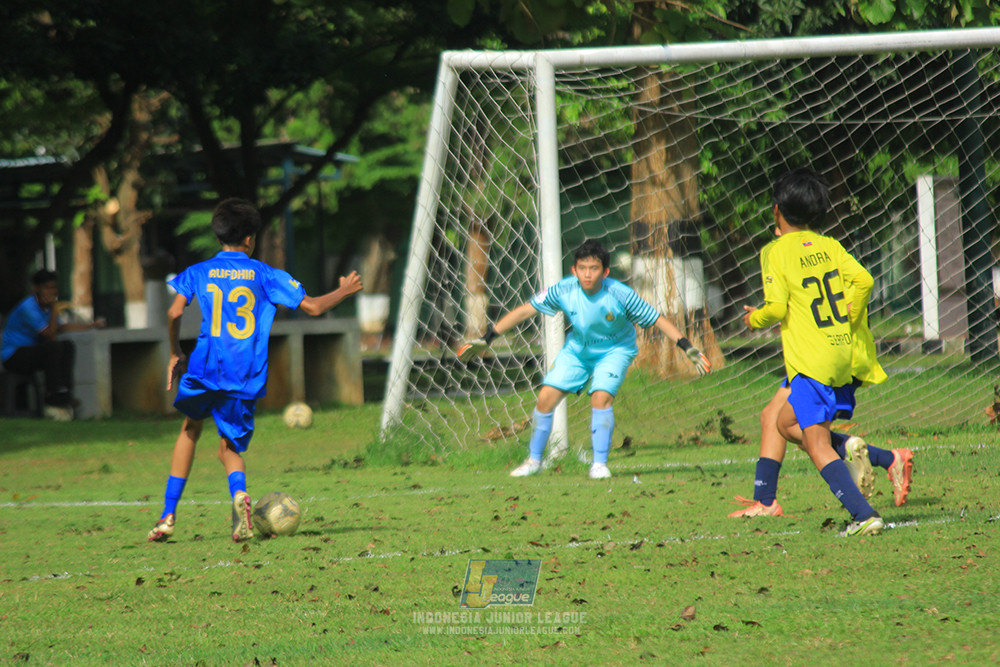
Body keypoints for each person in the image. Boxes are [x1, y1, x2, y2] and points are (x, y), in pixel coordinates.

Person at [147, 198, 363, 543]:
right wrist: (345, 289)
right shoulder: (265, 274)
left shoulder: (199, 272)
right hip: (244, 373)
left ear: (219, 237)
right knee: (229, 448)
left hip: (205, 366)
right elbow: (313, 307)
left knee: (190, 429)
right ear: (250, 238)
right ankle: (240, 500)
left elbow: (174, 314)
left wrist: (175, 352)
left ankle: (168, 515)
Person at [457, 239, 711, 480]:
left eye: (594, 268)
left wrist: (686, 346)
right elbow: (526, 309)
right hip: (578, 350)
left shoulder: (621, 294)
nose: (587, 274)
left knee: (600, 396)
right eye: (582, 268)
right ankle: (533, 462)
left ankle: (599, 464)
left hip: (615, 351)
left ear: (605, 271)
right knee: (545, 397)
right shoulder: (564, 289)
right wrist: (487, 338)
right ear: (574, 270)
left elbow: (657, 319)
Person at [741, 168, 886, 537]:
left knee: (816, 443)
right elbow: (864, 280)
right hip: (840, 353)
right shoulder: (829, 245)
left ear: (776, 211)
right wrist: (848, 315)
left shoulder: (775, 252)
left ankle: (863, 513)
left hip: (810, 360)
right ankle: (858, 452)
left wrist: (752, 319)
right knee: (785, 422)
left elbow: (774, 308)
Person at [729, 241, 914, 518]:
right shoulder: (812, 253)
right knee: (774, 418)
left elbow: (861, 283)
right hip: (818, 354)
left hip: (829, 357)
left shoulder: (818, 252)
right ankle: (886, 459)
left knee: (804, 433)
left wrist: (759, 318)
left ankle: (864, 505)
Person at [1, 269, 102, 420]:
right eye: (47, 287)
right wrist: (55, 308)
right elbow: (50, 334)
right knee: (52, 347)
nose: (52, 291)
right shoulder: (28, 307)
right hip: (13, 356)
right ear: (36, 288)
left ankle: (63, 393)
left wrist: (90, 326)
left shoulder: (46, 308)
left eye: (54, 287)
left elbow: (60, 328)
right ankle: (54, 397)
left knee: (67, 346)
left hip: (32, 352)